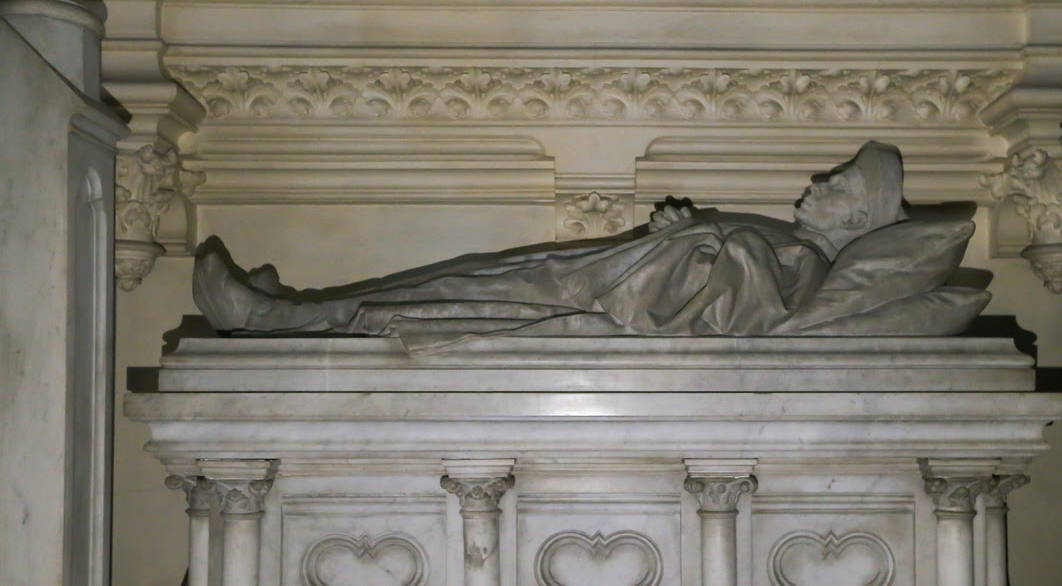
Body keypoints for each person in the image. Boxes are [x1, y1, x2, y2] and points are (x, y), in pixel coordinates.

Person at [192, 141, 907, 343]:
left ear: (856, 222)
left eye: (839, 185)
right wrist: (691, 231)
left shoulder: (809, 259)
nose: (820, 183)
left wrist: (703, 242)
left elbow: (748, 313)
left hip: (599, 299)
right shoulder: (795, 241)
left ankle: (273, 318)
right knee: (456, 278)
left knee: (448, 297)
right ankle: (292, 309)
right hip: (603, 277)